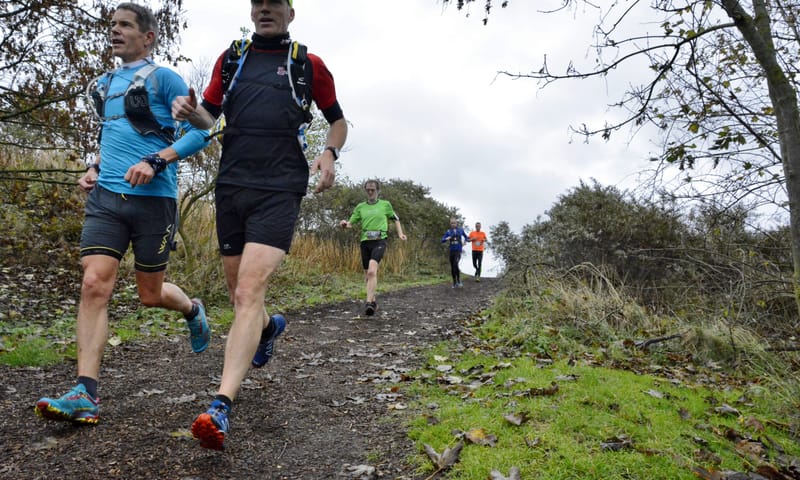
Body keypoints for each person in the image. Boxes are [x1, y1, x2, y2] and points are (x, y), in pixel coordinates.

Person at [171, 0, 347, 450]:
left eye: (275, 3)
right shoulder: (232, 58)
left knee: (249, 292)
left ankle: (221, 405)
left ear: (291, 12)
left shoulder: (308, 64)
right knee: (238, 296)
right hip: (231, 185)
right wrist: (190, 112)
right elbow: (209, 119)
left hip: (280, 187)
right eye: (258, 3)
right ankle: (268, 329)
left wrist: (329, 153)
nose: (265, 9)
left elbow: (338, 121)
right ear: (251, 11)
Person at [34, 3, 211, 426]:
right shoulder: (103, 85)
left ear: (147, 37)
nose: (114, 31)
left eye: (125, 25)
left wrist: (157, 160)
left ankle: (191, 310)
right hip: (108, 199)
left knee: (150, 295)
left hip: (155, 200)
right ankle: (85, 393)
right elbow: (114, 137)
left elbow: (201, 129)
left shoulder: (165, 78)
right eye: (112, 25)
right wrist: (94, 168)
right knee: (94, 283)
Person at [340, 180, 407, 316]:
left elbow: (396, 218)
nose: (370, 192)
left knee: (372, 271)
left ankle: (369, 303)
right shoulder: (360, 207)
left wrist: (400, 234)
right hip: (365, 242)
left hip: (379, 241)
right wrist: (344, 224)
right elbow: (350, 224)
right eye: (368, 190)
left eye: (373, 190)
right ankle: (374, 302)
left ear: (378, 191)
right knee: (367, 275)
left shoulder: (385, 205)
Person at [441, 218, 469, 288]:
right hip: (451, 251)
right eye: (452, 223)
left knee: (455, 264)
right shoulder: (448, 232)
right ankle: (454, 282)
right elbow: (442, 240)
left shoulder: (461, 230)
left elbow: (466, 237)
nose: (453, 224)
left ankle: (459, 281)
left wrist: (465, 241)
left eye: (454, 223)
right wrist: (446, 239)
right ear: (450, 224)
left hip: (458, 250)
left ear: (456, 223)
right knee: (453, 267)